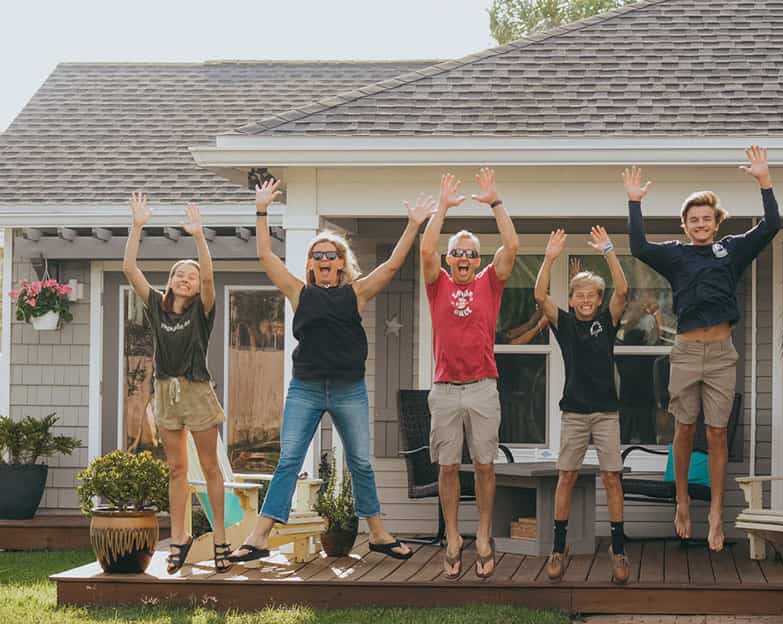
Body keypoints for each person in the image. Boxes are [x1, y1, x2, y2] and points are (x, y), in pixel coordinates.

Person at [229, 179, 433, 564]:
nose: (324, 261)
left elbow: (391, 267)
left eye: (331, 255)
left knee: (359, 461)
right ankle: (259, 536)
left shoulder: (355, 293)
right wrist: (261, 211)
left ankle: (376, 533)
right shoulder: (298, 292)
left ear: (341, 262)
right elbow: (266, 257)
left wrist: (412, 225)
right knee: (289, 459)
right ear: (310, 263)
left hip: (348, 389)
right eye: (318, 255)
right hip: (305, 389)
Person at [623, 145, 780, 551]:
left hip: (722, 353)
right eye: (693, 220)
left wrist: (764, 181)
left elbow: (771, 226)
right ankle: (680, 502)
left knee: (716, 434)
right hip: (688, 353)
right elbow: (639, 247)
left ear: (716, 221)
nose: (700, 224)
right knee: (684, 428)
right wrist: (634, 203)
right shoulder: (675, 256)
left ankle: (713, 514)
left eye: (706, 218)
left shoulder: (731, 251)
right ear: (685, 224)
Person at [123, 192, 231, 574]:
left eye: (192, 275)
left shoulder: (204, 310)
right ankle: (180, 538)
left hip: (198, 391)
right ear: (169, 282)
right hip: (166, 392)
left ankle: (220, 539)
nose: (186, 279)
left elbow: (210, 274)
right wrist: (137, 225)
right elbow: (129, 268)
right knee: (176, 470)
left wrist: (199, 236)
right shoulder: (155, 305)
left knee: (210, 468)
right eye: (179, 274)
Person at [420, 169, 519, 579]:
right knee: (447, 467)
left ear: (478, 261)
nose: (463, 259)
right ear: (449, 259)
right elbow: (426, 251)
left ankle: (482, 533)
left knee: (484, 465)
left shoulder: (488, 284)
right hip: (445, 390)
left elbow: (511, 245)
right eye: (457, 253)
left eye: (470, 254)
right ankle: (454, 536)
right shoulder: (437, 283)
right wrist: (441, 208)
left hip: (482, 388)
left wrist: (495, 202)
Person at [534, 226, 630, 585]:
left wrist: (609, 250)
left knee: (611, 478)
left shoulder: (607, 321)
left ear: (598, 299)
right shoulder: (566, 324)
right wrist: (548, 258)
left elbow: (622, 289)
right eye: (580, 295)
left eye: (592, 294)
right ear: (572, 300)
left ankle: (618, 550)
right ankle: (559, 548)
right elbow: (539, 293)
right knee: (567, 477)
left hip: (606, 413)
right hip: (573, 412)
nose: (586, 299)